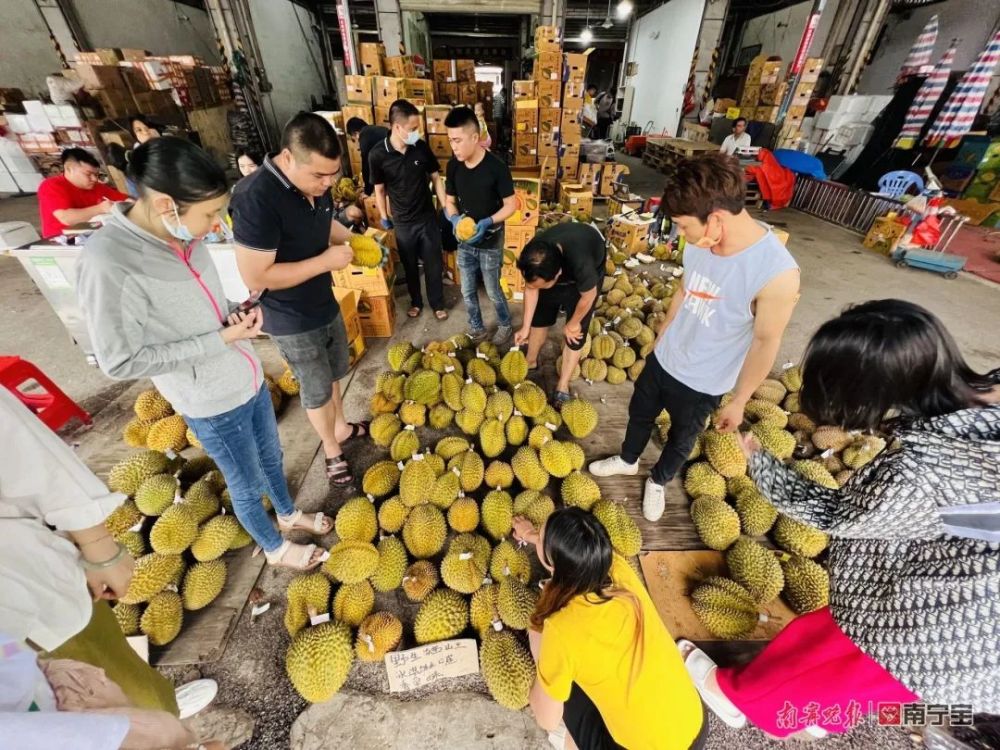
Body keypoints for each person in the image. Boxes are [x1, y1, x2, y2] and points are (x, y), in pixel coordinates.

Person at [680, 300, 1000, 739]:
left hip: (943, 626)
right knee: (856, 673)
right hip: (961, 590)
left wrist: (759, 461)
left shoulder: (917, 474)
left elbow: (833, 513)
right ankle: (821, 718)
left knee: (839, 669)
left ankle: (740, 700)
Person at [78, 137, 330, 570]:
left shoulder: (187, 240)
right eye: (210, 214)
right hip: (210, 402)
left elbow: (203, 310)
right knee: (246, 483)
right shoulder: (109, 264)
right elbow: (120, 359)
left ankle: (288, 516)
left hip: (246, 377)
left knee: (272, 457)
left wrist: (236, 314)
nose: (217, 225)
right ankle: (275, 548)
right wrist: (219, 341)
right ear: (164, 205)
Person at [590, 152, 800, 522]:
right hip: (665, 359)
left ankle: (657, 481)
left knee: (681, 440)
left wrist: (740, 400)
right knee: (639, 413)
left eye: (684, 226)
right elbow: (685, 289)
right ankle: (627, 459)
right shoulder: (702, 243)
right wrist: (664, 333)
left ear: (715, 218)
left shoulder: (776, 272)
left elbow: (766, 342)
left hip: (704, 381)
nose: (681, 235)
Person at [231, 112, 368, 486]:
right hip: (290, 316)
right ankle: (331, 449)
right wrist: (324, 260)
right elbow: (256, 276)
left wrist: (355, 241)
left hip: (324, 300)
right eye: (318, 176)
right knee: (316, 388)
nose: (326, 184)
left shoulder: (316, 188)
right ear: (288, 158)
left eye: (332, 175)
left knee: (337, 372)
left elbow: (325, 224)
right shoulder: (255, 198)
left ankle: (340, 427)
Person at [513, 508, 709, 750]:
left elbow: (547, 720)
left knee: (548, 659)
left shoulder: (562, 628)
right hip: (693, 720)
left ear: (553, 563)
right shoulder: (615, 565)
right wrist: (532, 536)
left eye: (541, 537)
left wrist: (542, 665)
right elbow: (570, 557)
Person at [443, 106, 517, 345]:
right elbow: (450, 201)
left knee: (493, 290)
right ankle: (476, 327)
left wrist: (487, 222)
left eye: (457, 140)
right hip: (464, 240)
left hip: (491, 240)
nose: (453, 146)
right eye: (450, 140)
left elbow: (511, 205)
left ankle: (505, 324)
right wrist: (454, 219)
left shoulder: (496, 167)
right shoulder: (453, 166)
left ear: (475, 138)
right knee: (467, 291)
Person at [370, 99, 449, 321]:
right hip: (403, 222)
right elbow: (379, 189)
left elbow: (435, 177)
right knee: (410, 266)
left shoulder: (420, 147)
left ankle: (437, 303)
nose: (417, 133)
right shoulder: (378, 155)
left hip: (427, 218)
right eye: (413, 129)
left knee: (434, 263)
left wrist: (446, 208)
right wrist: (384, 217)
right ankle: (416, 301)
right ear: (397, 127)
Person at [514, 222, 606, 406]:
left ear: (557, 275)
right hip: (551, 272)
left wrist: (573, 323)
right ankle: (530, 361)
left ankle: (563, 384)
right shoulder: (534, 256)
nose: (533, 287)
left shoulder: (582, 264)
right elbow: (531, 289)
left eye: (539, 285)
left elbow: (589, 296)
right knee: (539, 320)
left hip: (583, 283)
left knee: (574, 335)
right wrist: (525, 327)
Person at [37, 148, 127, 237]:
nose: (94, 179)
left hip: (93, 235)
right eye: (88, 174)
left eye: (96, 175)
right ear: (69, 169)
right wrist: (101, 208)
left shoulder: (96, 186)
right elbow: (67, 218)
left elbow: (127, 200)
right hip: (62, 241)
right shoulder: (51, 186)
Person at [346, 116, 390, 198]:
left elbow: (366, 166)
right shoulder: (376, 129)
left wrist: (367, 191)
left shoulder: (364, 137)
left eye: (354, 139)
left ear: (356, 133)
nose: (358, 143)